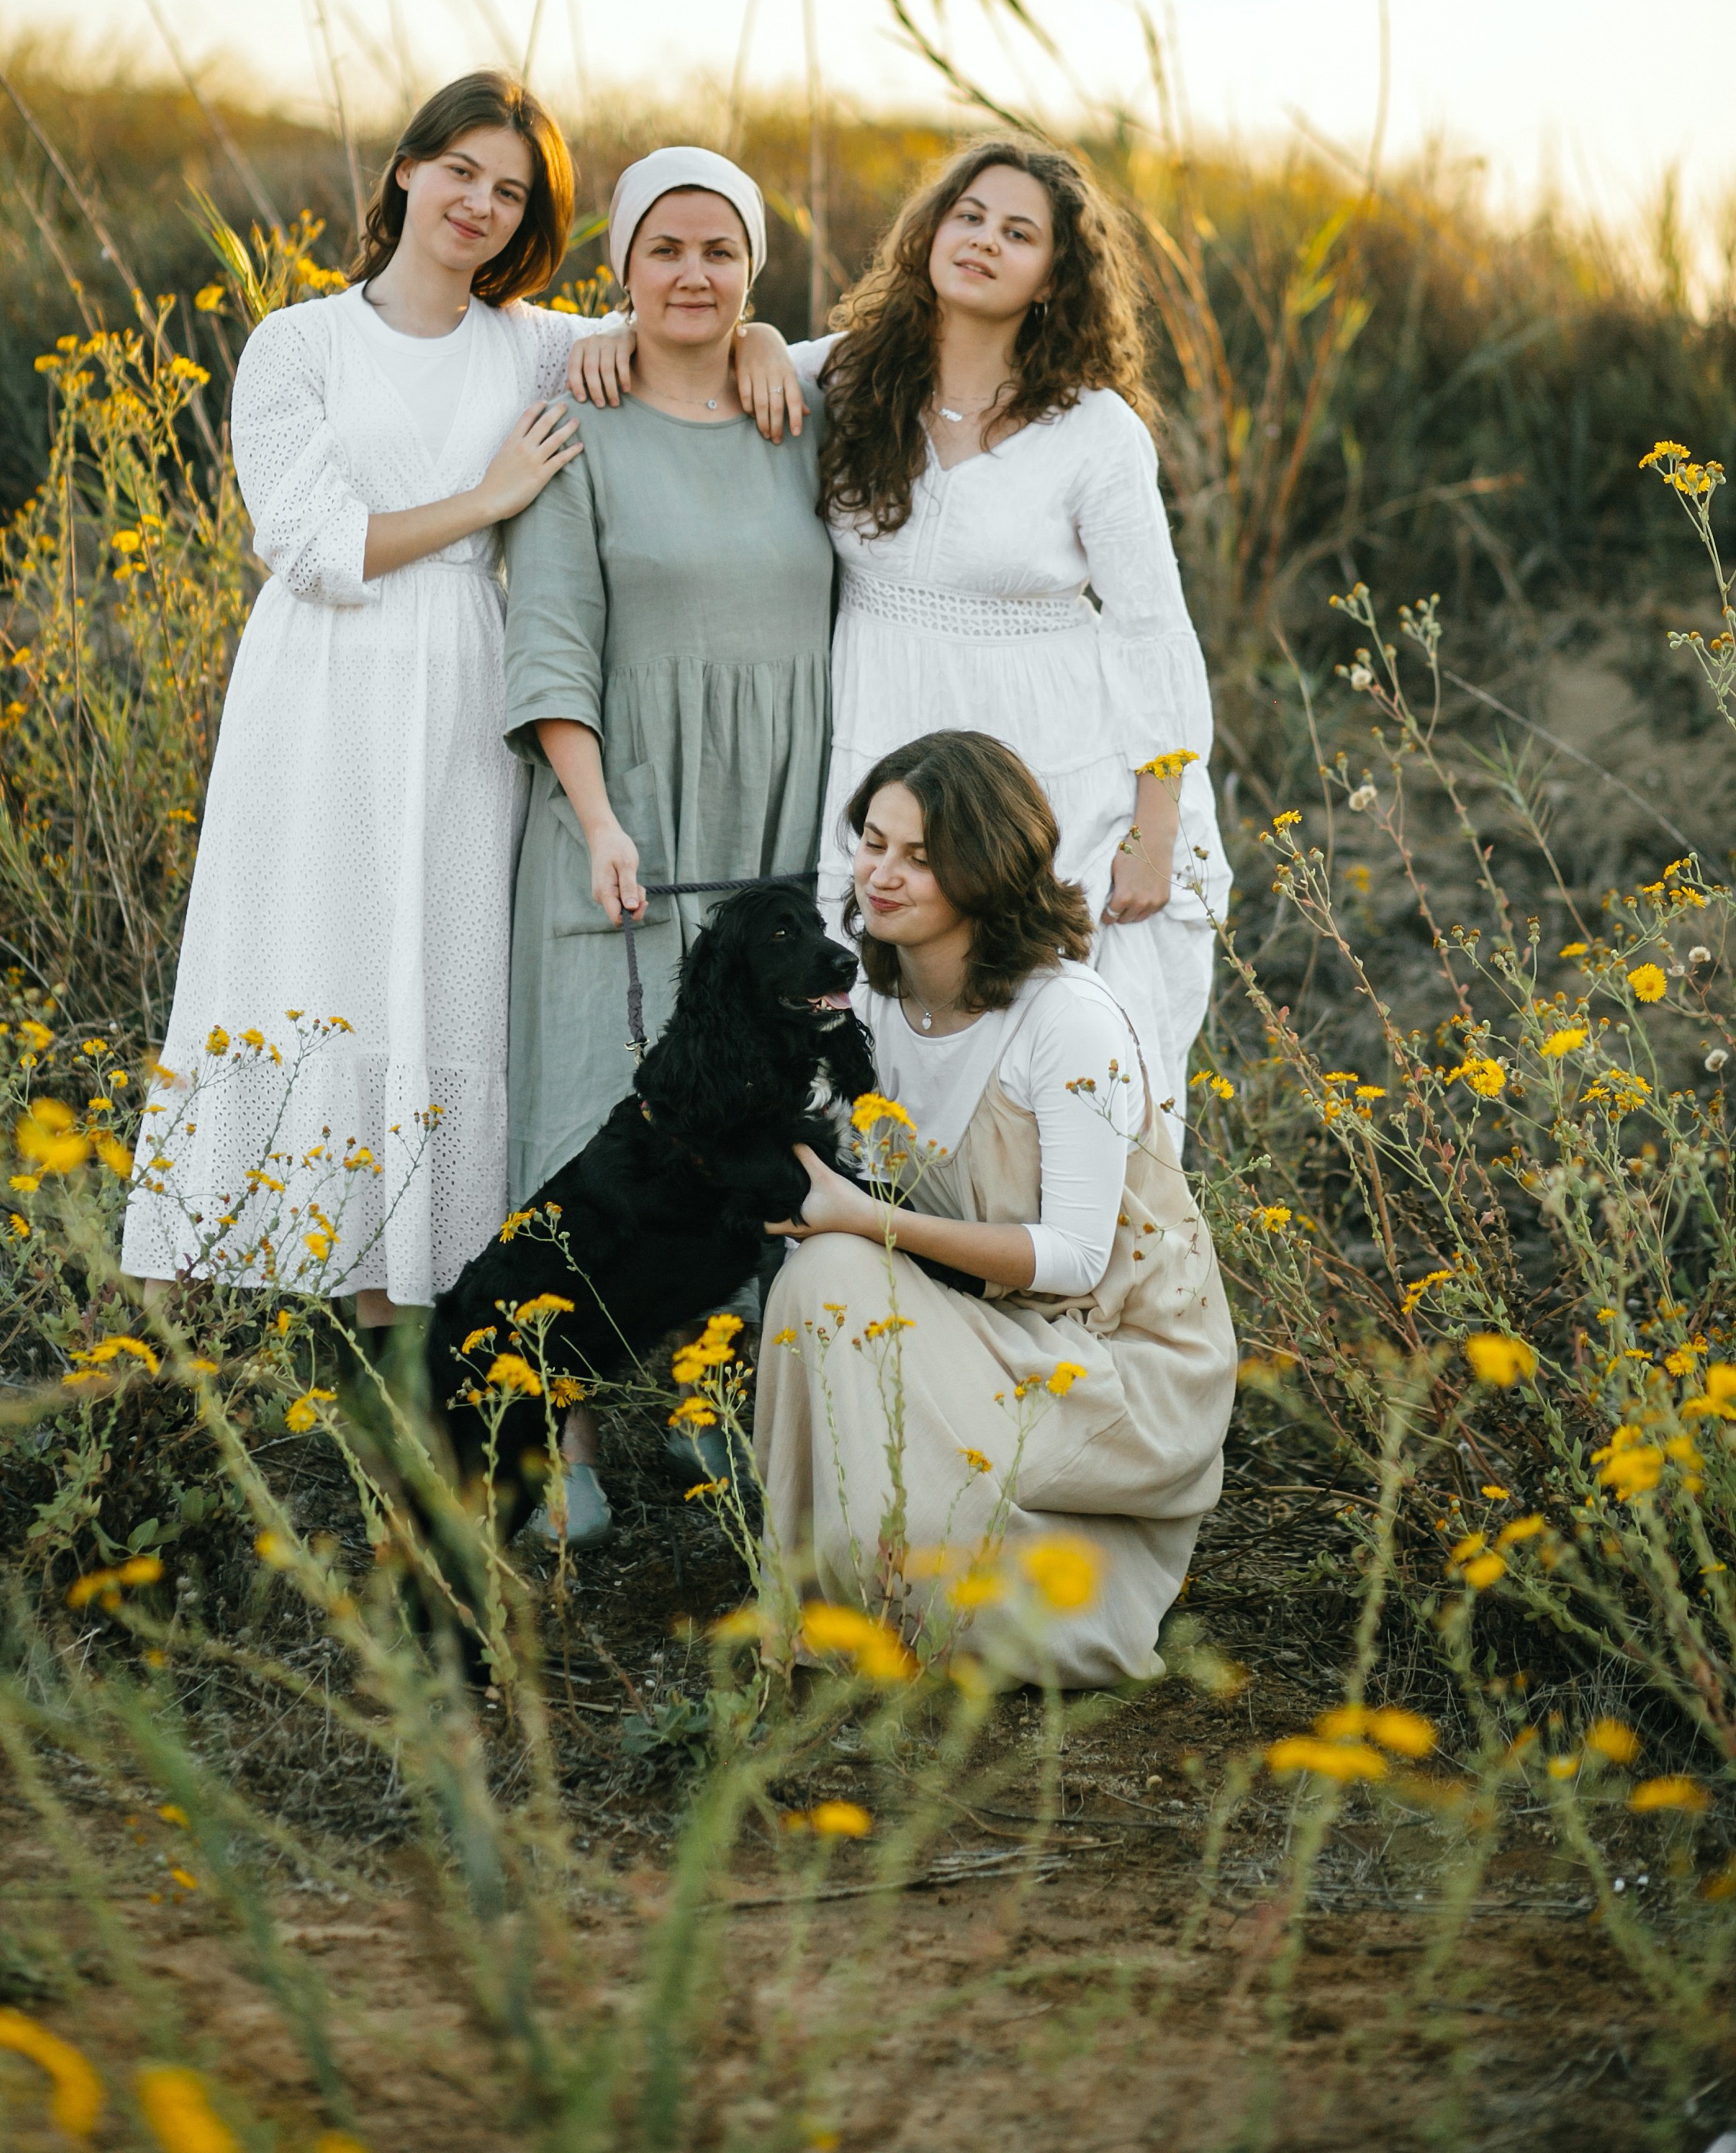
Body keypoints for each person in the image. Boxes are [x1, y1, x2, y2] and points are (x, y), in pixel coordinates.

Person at [120, 77, 798, 1322]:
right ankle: (180, 1300)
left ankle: (401, 1287)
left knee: (437, 967)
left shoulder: (536, 344)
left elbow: (673, 321)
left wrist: (751, 336)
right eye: (462, 172)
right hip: (317, 686)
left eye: (513, 191)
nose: (481, 204)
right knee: (284, 954)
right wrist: (489, 502)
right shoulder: (301, 343)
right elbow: (308, 542)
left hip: (462, 686)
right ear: (405, 172)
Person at [503, 144, 834, 1536]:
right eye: (664, 251)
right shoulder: (577, 417)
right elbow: (553, 637)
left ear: (752, 273)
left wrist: (764, 342)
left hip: (774, 817)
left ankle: (711, 1402)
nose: (692, 275)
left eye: (720, 255)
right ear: (619, 272)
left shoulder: (800, 408)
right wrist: (596, 822)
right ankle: (561, 1446)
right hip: (622, 816)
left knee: (748, 1113)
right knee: (586, 1110)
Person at [755, 730, 1236, 1685]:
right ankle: (807, 1592)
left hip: (1109, 1359)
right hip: (979, 1323)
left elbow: (1073, 1261)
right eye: (873, 843)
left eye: (921, 859)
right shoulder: (875, 1005)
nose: (881, 876)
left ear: (986, 872)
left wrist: (867, 1220)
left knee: (846, 1258)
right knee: (825, 1275)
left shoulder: (1067, 1018)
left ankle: (981, 1594)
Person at [790, 140, 1228, 1144]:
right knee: (886, 1015)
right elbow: (722, 354)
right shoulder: (848, 379)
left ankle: (1069, 1270)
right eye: (970, 216)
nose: (984, 240)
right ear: (932, 232)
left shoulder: (1094, 430)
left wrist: (1153, 828)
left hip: (1055, 769)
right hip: (886, 741)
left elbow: (1153, 632)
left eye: (1018, 234)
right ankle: (919, 1267)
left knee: (1051, 1031)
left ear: (1051, 282)